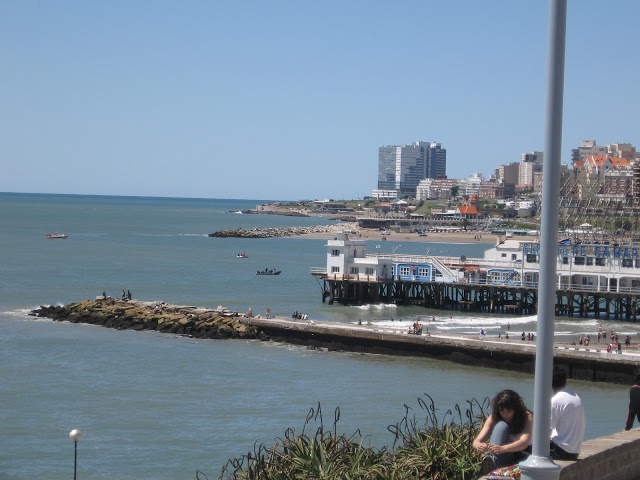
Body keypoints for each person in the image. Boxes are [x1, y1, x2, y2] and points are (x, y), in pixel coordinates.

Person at [473, 390, 533, 473]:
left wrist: (503, 448)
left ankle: (493, 461)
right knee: (501, 425)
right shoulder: (494, 417)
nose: (505, 415)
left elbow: (524, 443)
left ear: (516, 409)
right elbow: (476, 441)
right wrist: (478, 446)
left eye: (509, 411)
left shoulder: (527, 416)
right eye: (502, 411)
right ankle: (491, 459)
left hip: (523, 456)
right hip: (503, 457)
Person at [550, 366, 585, 461]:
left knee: (530, 446)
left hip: (560, 452)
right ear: (566, 380)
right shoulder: (576, 397)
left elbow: (545, 431)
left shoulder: (555, 401)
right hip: (575, 452)